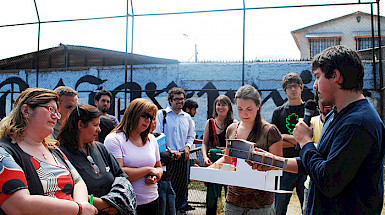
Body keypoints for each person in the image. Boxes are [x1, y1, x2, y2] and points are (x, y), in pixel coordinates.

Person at [267, 45, 385, 214]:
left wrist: (306, 141)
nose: (314, 86)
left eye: (317, 77)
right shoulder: (336, 115)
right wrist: (271, 161)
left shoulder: (358, 123)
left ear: (336, 76)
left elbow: (328, 180)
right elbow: (318, 161)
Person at [0, 88, 97, 215]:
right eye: (51, 109)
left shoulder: (53, 150)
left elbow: (78, 181)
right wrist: (77, 209)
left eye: (57, 112)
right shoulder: (5, 151)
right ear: (26, 111)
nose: (55, 117)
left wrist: (82, 206)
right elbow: (17, 204)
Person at [213, 85, 283, 214]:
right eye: (240, 109)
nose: (244, 114)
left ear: (259, 105)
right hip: (233, 200)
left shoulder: (270, 131)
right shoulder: (231, 129)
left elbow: (278, 165)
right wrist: (207, 170)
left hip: (261, 204)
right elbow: (228, 158)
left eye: (249, 109)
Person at [58, 104, 136, 215]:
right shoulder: (61, 154)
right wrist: (100, 203)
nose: (99, 130)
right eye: (95, 125)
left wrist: (115, 203)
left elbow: (122, 177)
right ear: (80, 125)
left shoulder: (100, 148)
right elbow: (66, 191)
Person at [104, 98, 163, 215]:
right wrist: (148, 170)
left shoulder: (151, 139)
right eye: (145, 115)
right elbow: (119, 173)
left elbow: (158, 167)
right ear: (133, 114)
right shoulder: (114, 139)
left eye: (151, 117)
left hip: (152, 200)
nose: (148, 120)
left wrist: (155, 176)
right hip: (126, 204)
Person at [154, 87, 196, 213]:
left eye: (182, 99)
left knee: (181, 190)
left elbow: (191, 135)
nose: (180, 102)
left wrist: (187, 147)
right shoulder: (161, 114)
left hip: (183, 159)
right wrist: (170, 150)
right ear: (170, 101)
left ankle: (179, 210)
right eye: (176, 99)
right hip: (168, 160)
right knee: (166, 192)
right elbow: (157, 135)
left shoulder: (187, 117)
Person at [271, 72, 307, 214]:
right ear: (284, 90)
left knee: (307, 208)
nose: (293, 90)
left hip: (306, 166)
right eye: (289, 87)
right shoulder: (278, 112)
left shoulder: (310, 110)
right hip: (284, 166)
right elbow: (274, 142)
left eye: (296, 86)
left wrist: (284, 137)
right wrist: (300, 140)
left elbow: (314, 139)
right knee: (279, 209)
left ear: (301, 88)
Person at [201, 95, 236, 215]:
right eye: (218, 104)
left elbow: (235, 146)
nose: (220, 107)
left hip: (229, 164)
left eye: (223, 105)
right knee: (211, 196)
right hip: (213, 163)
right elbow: (204, 143)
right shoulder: (210, 123)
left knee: (230, 194)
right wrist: (205, 157)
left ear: (229, 107)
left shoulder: (234, 123)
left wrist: (219, 152)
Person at [302, 93, 332, 214]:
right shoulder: (312, 122)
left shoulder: (338, 122)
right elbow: (304, 150)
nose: (326, 105)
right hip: (311, 183)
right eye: (322, 101)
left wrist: (309, 144)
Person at [181, 98, 199, 212]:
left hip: (191, 155)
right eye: (194, 109)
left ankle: (184, 202)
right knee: (184, 180)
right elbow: (191, 139)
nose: (195, 112)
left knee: (187, 180)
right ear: (188, 109)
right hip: (188, 155)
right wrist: (204, 143)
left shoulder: (189, 120)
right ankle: (183, 203)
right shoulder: (188, 120)